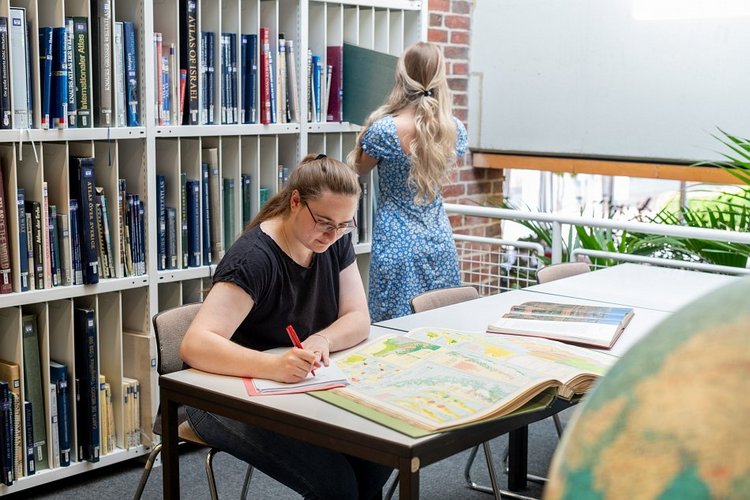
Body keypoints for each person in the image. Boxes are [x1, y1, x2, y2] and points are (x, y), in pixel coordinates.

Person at [180, 154, 393, 500]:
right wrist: (273, 365)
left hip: (289, 394)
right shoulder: (255, 258)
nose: (332, 235)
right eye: (324, 222)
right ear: (295, 202)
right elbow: (195, 345)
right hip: (222, 397)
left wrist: (324, 337)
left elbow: (358, 317)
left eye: (344, 225)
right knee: (336, 484)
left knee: (376, 461)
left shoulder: (334, 239)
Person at [349, 41, 468, 323]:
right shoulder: (452, 128)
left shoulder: (385, 130)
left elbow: (359, 168)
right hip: (438, 237)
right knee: (440, 323)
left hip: (396, 239)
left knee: (393, 327)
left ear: (402, 75)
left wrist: (367, 130)